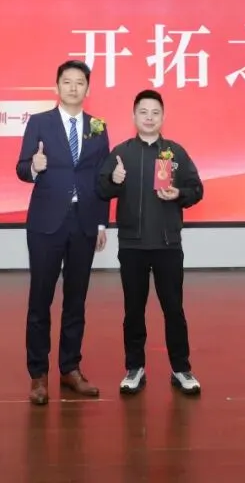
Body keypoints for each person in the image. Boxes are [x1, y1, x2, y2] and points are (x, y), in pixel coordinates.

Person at [15, 60, 110, 405]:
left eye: (79, 82)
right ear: (57, 87)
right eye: (67, 82)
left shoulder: (98, 127)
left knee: (76, 300)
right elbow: (21, 168)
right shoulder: (39, 123)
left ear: (88, 89)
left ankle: (70, 369)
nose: (73, 87)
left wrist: (101, 223)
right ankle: (38, 375)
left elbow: (102, 178)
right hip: (46, 223)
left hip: (83, 223)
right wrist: (34, 167)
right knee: (40, 299)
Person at [97, 89, 204, 396]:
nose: (149, 117)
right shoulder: (121, 153)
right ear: (134, 116)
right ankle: (135, 368)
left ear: (163, 117)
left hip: (168, 244)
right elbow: (101, 190)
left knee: (174, 309)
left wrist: (179, 194)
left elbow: (196, 189)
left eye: (155, 112)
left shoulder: (175, 152)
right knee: (133, 311)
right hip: (132, 245)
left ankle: (181, 368)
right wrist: (114, 180)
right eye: (143, 112)